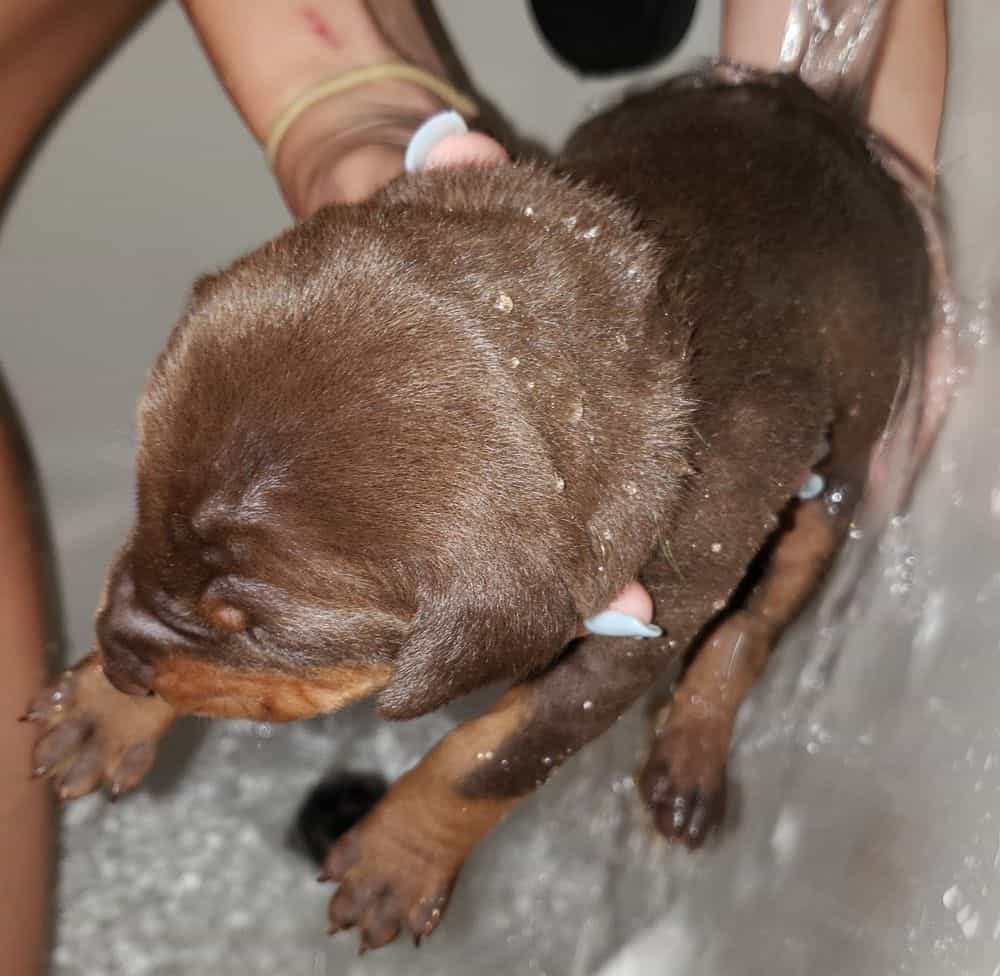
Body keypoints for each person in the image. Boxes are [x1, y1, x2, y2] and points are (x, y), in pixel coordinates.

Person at [0, 2, 946, 972]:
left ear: (486, 627)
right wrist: (349, 124)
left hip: (797, 372)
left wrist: (430, 825)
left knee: (786, 552)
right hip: (666, 184)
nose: (120, 634)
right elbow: (232, 534)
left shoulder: (703, 493)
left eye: (228, 617)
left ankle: (723, 677)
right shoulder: (423, 301)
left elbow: (593, 668)